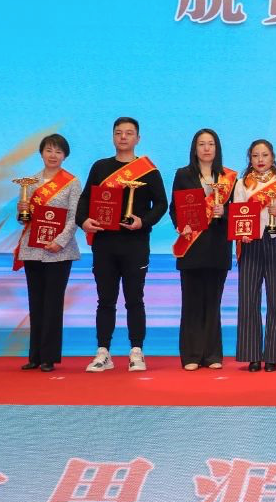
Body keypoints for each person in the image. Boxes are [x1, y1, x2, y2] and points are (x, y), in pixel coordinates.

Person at [75, 117, 167, 373]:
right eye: (118, 133)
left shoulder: (148, 170)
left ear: (138, 138)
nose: (123, 137)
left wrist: (143, 221)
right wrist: (83, 221)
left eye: (129, 133)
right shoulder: (100, 167)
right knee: (105, 300)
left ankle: (136, 351)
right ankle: (103, 351)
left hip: (135, 244)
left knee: (135, 299)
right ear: (113, 137)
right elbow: (85, 199)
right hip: (104, 244)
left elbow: (161, 203)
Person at [170, 129, 237, 371]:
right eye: (201, 144)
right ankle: (191, 355)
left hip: (218, 246)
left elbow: (238, 209)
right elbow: (174, 208)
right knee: (191, 301)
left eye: (211, 144)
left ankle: (212, 354)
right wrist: (181, 225)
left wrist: (224, 212)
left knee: (213, 302)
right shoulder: (183, 174)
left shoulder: (228, 177)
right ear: (194, 148)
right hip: (192, 245)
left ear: (217, 148)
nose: (206, 148)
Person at [14, 133, 81, 372]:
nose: (53, 155)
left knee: (53, 303)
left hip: (59, 252)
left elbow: (75, 217)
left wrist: (60, 241)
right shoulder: (29, 182)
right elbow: (24, 220)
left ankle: (49, 357)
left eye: (58, 151)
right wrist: (22, 211)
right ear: (41, 153)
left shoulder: (72, 182)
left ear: (65, 156)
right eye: (49, 150)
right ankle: (34, 355)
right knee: (36, 302)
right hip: (33, 249)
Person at [233, 139, 276, 372]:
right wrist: (242, 234)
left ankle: (273, 355)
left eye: (265, 155)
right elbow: (238, 211)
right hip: (250, 244)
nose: (260, 160)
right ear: (250, 159)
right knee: (248, 299)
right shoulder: (242, 183)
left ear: (273, 157)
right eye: (255, 156)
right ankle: (251, 355)